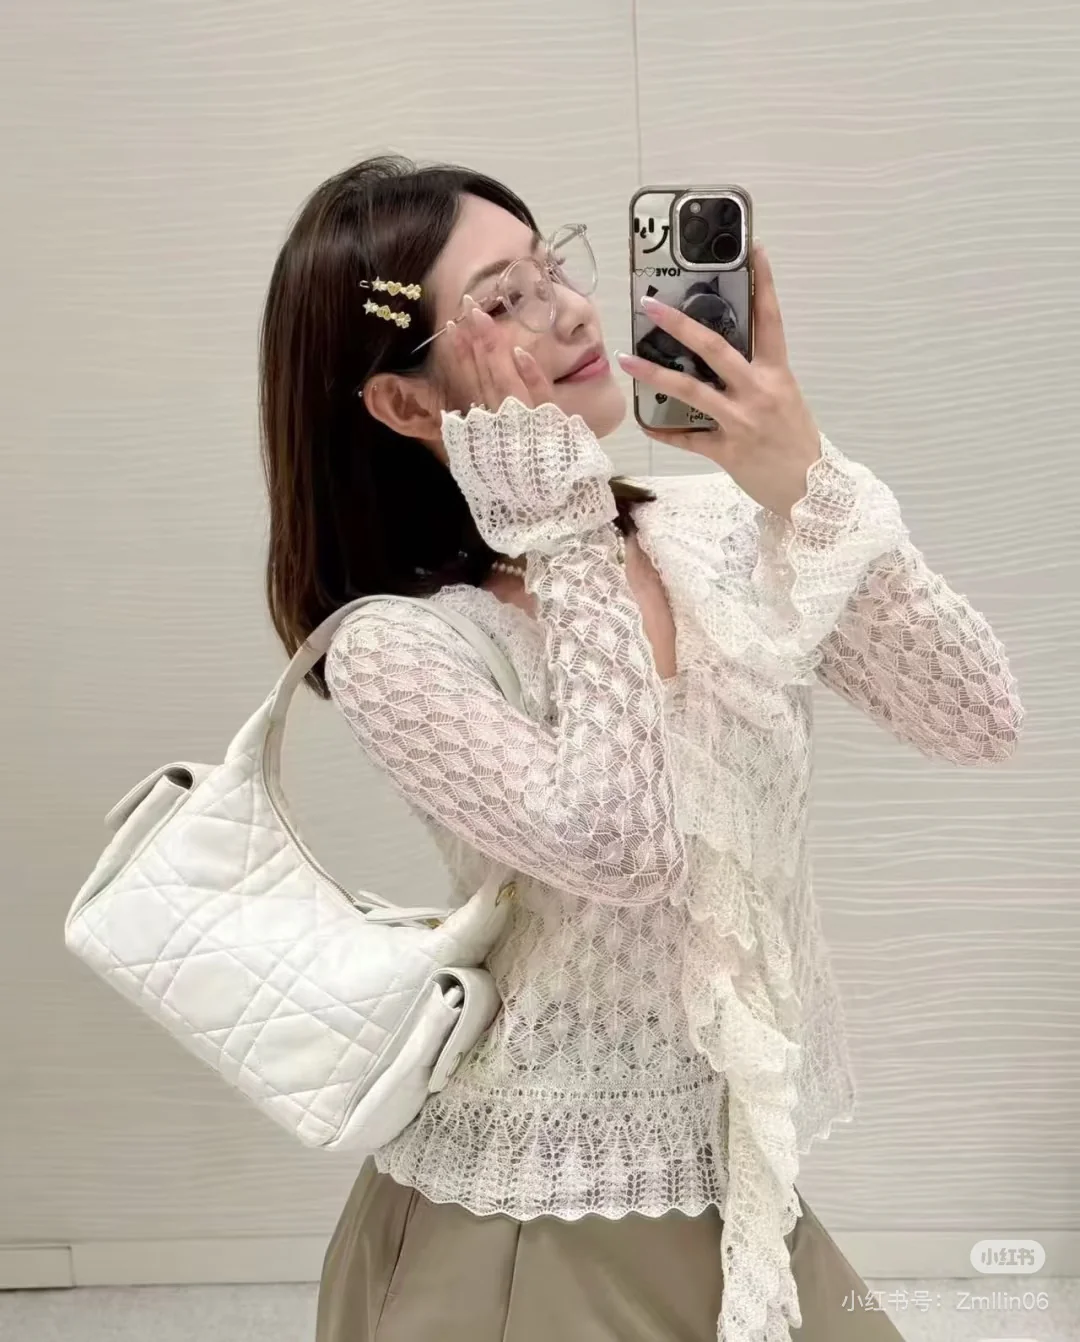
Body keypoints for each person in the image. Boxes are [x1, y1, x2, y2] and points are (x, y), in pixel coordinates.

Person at [258, 155, 1024, 1342]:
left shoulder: (707, 529)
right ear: (405, 407)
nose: (569, 311)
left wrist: (805, 485)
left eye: (551, 267)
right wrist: (560, 526)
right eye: (503, 301)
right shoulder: (400, 646)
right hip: (526, 1225)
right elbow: (621, 846)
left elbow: (976, 717)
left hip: (732, 1171)